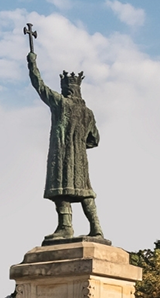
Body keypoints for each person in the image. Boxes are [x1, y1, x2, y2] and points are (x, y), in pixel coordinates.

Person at [27, 51, 103, 241]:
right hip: (80, 159)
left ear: (65, 90)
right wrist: (80, 144)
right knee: (84, 191)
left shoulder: (61, 104)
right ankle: (97, 228)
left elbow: (40, 86)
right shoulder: (88, 113)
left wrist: (32, 64)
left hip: (61, 156)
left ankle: (66, 227)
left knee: (61, 190)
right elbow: (95, 139)